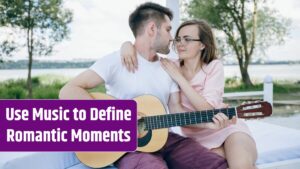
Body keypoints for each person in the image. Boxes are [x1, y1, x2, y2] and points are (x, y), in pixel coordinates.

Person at [60, 2, 228, 169]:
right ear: (152, 29)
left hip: (166, 139)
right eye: (168, 30)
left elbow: (176, 111)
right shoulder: (116, 60)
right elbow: (68, 91)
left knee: (217, 164)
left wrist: (206, 123)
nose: (172, 38)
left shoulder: (168, 67)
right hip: (130, 149)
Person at [121, 19, 258, 169]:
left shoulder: (213, 67)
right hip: (197, 137)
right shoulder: (168, 65)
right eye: (178, 39)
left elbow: (207, 110)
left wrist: (180, 78)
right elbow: (145, 53)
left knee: (241, 166)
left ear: (202, 45)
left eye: (187, 39)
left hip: (225, 127)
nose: (180, 43)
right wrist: (126, 45)